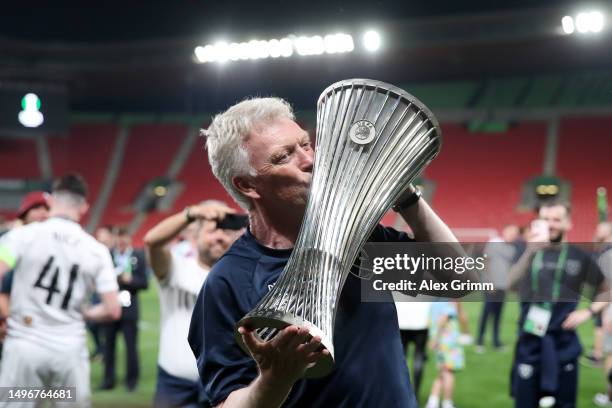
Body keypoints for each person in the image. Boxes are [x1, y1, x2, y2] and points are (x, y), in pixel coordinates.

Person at [187, 97, 462, 408]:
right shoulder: (228, 282)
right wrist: (274, 380)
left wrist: (406, 196)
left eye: (306, 144)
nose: (310, 159)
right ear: (248, 185)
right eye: (284, 156)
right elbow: (226, 402)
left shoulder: (356, 237)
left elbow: (456, 279)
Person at [0, 174, 121, 407]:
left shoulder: (22, 236)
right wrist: (85, 312)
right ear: (84, 206)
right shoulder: (96, 250)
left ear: (52, 201)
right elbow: (112, 310)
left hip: (25, 347)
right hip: (68, 352)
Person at [509, 201, 609, 408]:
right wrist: (530, 253)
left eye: (557, 219)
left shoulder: (579, 257)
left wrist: (588, 311)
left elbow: (607, 289)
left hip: (563, 343)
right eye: (546, 219)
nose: (551, 224)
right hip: (530, 343)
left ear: (568, 223)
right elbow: (509, 285)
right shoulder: (528, 252)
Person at [145, 200, 241, 407]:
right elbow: (153, 241)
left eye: (226, 231)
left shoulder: (242, 277)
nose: (219, 237)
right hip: (175, 385)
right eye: (212, 230)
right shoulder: (177, 268)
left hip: (224, 385)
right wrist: (192, 213)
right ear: (195, 237)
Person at [100, 227, 149, 391]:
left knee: (131, 347)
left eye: (124, 237)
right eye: (119, 237)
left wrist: (130, 280)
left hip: (130, 309)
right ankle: (108, 380)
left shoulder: (138, 256)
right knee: (108, 347)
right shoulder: (107, 256)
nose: (121, 241)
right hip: (111, 306)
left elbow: (144, 283)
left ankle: (131, 381)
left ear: (129, 238)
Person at [0, 191, 50, 349]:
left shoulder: (58, 244)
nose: (42, 213)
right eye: (36, 208)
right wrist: (7, 320)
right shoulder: (13, 242)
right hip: (20, 324)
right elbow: (4, 293)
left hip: (51, 325)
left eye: (46, 208)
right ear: (24, 214)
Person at [476, 224, 520, 352]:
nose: (513, 236)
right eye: (511, 233)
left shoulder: (512, 250)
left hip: (503, 286)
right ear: (505, 232)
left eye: (515, 234)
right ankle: (480, 341)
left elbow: (510, 268)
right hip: (491, 286)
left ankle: (496, 341)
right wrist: (490, 282)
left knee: (498, 314)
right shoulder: (494, 243)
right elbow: (486, 262)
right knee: (487, 312)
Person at [425, 301, 464, 408]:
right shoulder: (449, 301)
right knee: (449, 373)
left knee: (442, 373)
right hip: (447, 342)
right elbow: (443, 319)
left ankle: (433, 401)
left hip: (441, 342)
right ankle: (447, 402)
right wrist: (435, 339)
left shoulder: (434, 301)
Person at [395, 295, 431, 403]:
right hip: (421, 319)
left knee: (400, 359)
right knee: (419, 357)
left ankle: (401, 393)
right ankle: (415, 395)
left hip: (401, 318)